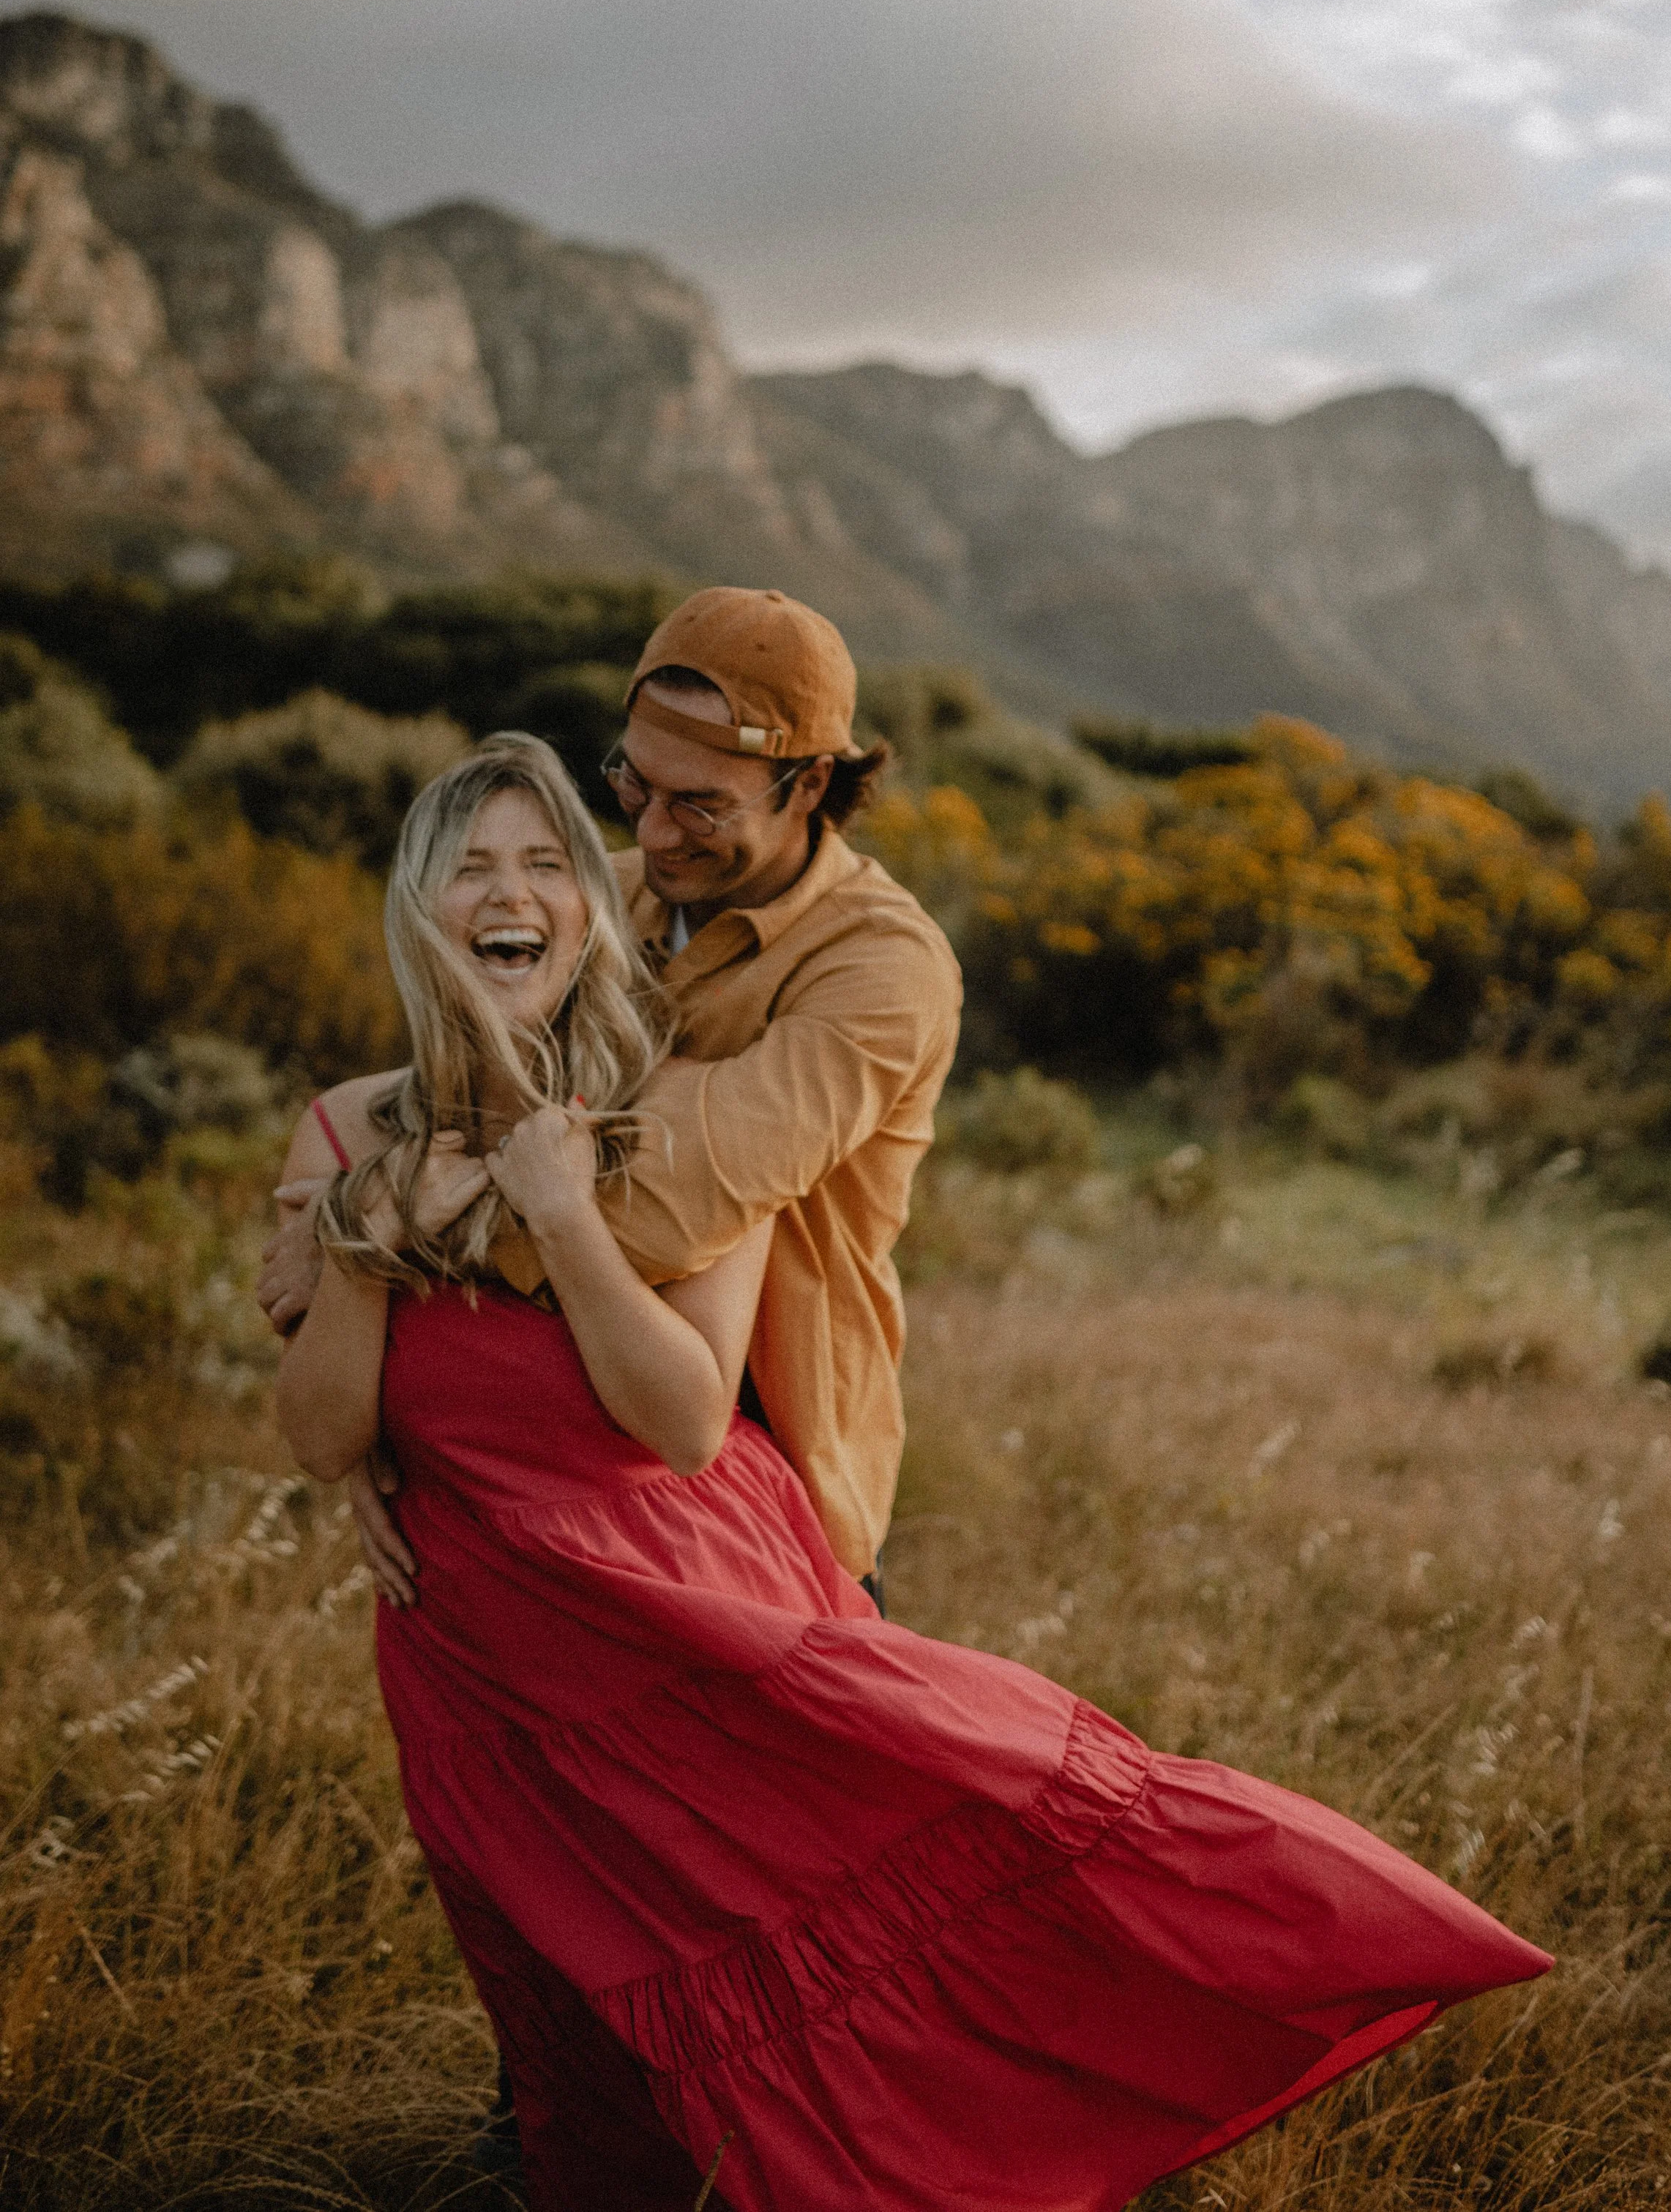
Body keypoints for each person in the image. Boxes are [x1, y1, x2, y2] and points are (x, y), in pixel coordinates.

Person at [274, 730, 1552, 2212]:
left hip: (692, 1609)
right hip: (480, 1666)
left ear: (592, 905)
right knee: (576, 2036)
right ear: (417, 908)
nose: (513, 893)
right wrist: (368, 1225)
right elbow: (319, 1438)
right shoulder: (338, 1129)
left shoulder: (679, 1107)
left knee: (863, 1924)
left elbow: (683, 1420)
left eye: (548, 863)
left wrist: (561, 1215)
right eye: (472, 868)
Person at [261, 585, 964, 1609]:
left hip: (772, 1485)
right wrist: (356, 1225)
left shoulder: (882, 969)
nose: (657, 831)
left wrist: (360, 1236)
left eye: (703, 805)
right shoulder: (599, 892)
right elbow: (466, 1082)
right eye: (636, 784)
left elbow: (670, 1201)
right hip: (547, 1476)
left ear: (810, 784)